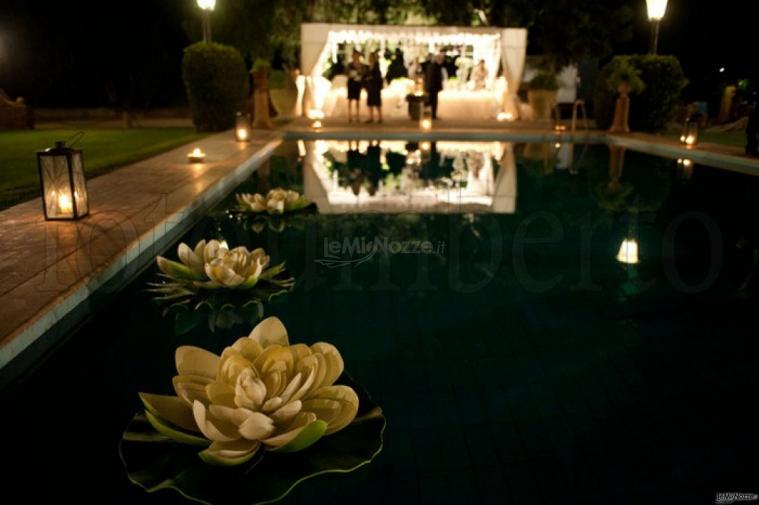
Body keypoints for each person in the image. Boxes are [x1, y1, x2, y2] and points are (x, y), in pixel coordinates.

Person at [346, 50, 366, 123]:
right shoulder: (350, 64)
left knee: (357, 99)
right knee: (350, 99)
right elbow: (347, 73)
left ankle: (357, 116)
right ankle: (350, 115)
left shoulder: (361, 65)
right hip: (351, 83)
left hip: (357, 83)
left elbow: (363, 73)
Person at [364, 52, 384, 123]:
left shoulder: (376, 66)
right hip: (370, 87)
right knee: (370, 102)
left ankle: (380, 117)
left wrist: (371, 78)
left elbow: (378, 76)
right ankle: (371, 117)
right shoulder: (368, 66)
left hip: (375, 87)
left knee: (377, 102)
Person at [425, 52, 445, 120]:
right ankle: (432, 114)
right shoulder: (435, 67)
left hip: (432, 87)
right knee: (432, 101)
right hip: (433, 87)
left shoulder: (432, 66)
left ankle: (432, 114)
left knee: (432, 101)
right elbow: (435, 78)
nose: (442, 61)